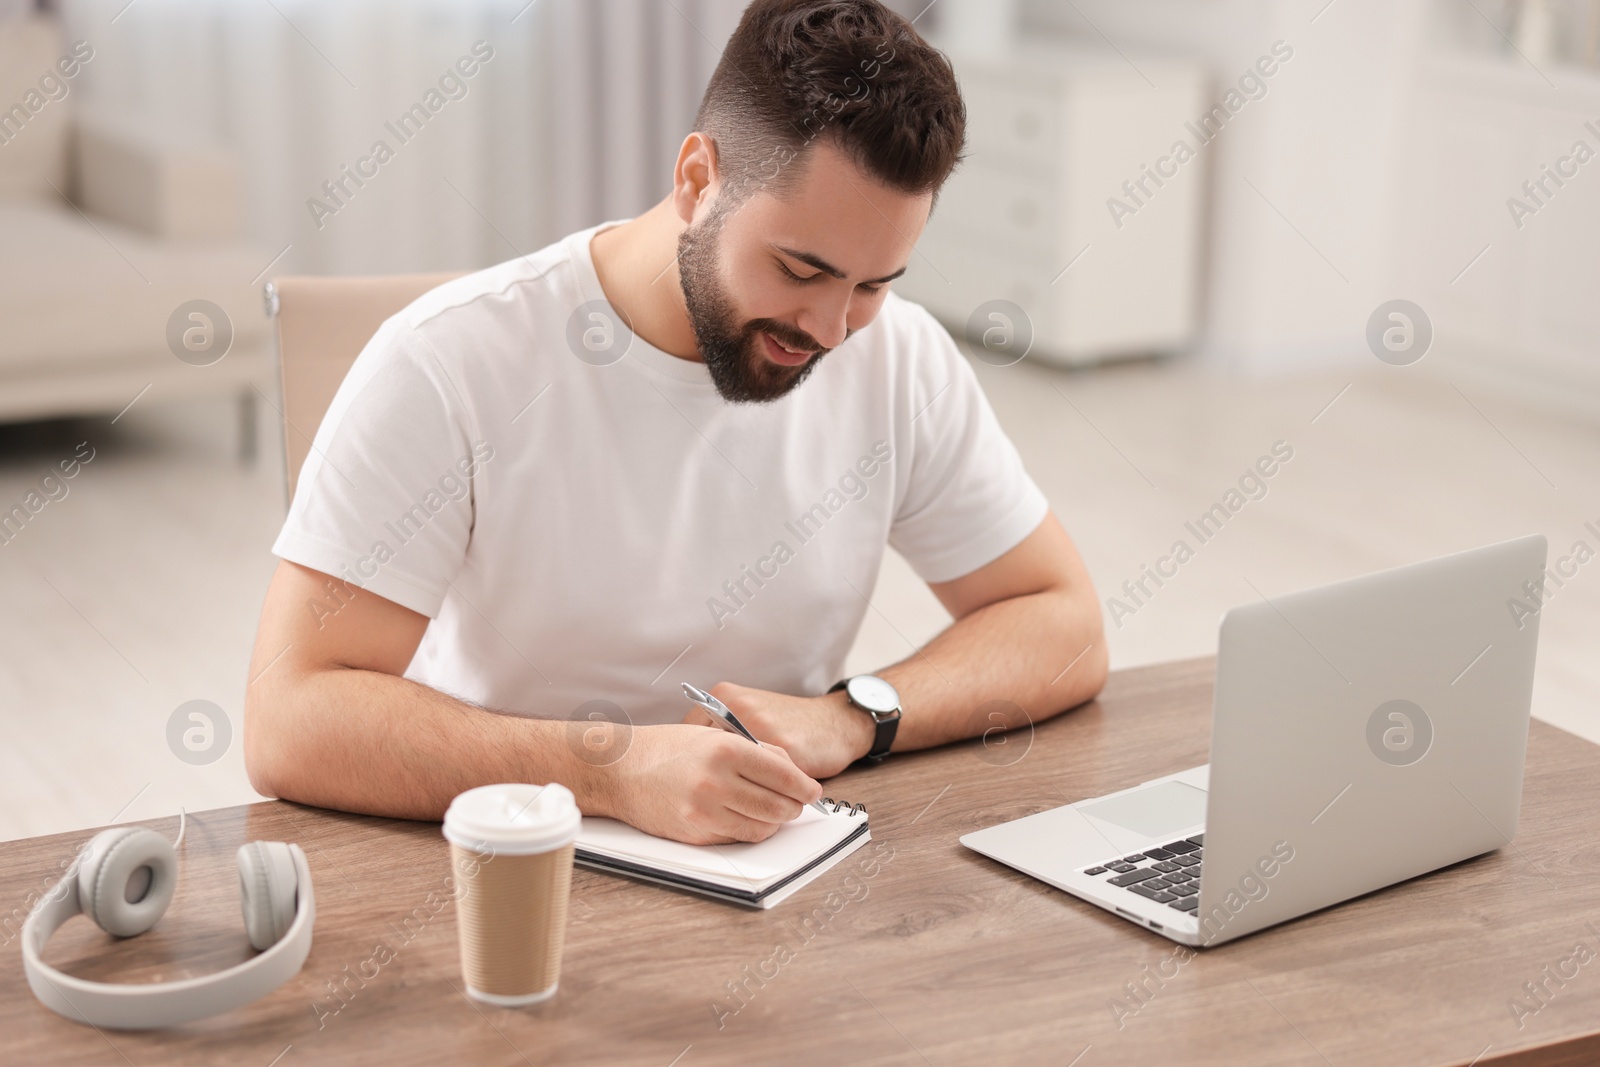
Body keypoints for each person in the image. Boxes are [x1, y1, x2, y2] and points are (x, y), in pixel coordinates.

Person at [245, 0, 1107, 845]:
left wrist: (851, 718)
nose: (833, 329)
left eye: (875, 283)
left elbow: (1062, 621)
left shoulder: (901, 361)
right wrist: (608, 770)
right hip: (515, 871)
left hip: (774, 870)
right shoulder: (451, 361)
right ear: (698, 180)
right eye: (800, 268)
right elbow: (289, 715)